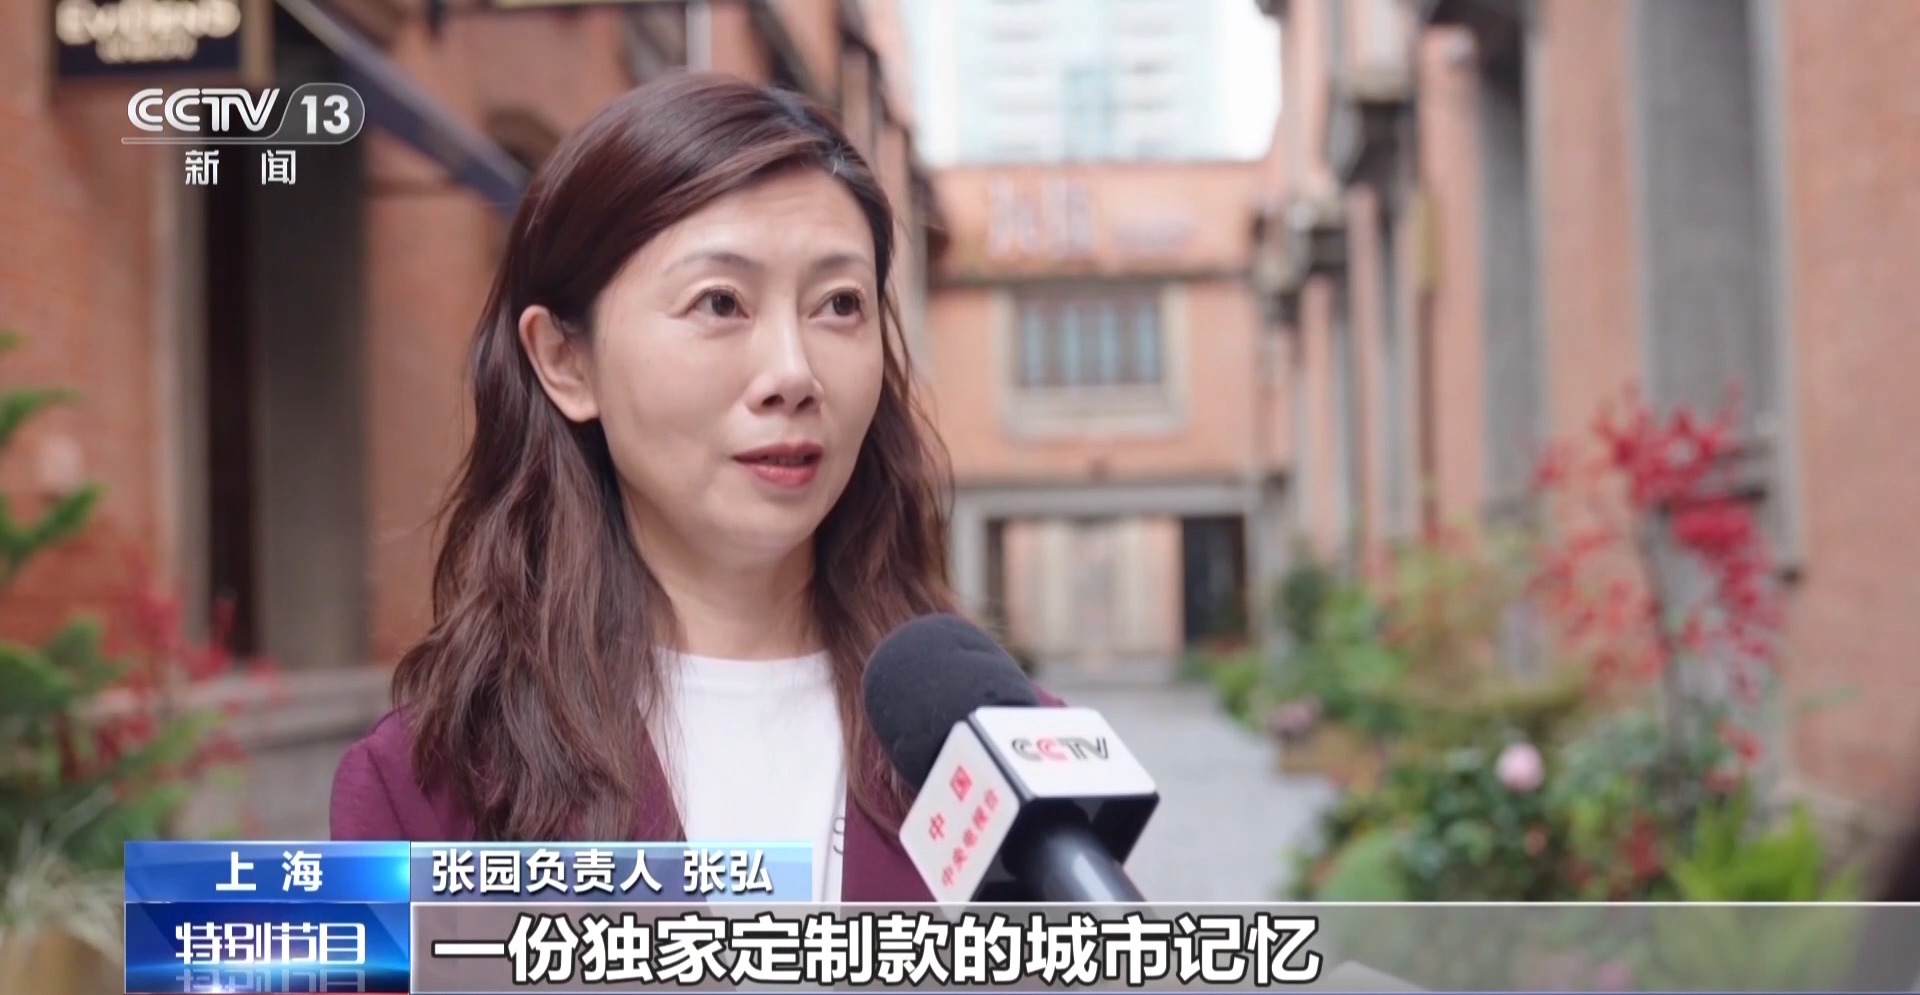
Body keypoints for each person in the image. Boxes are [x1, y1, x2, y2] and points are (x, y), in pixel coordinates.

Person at [329, 73, 1042, 902]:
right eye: (721, 302)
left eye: (840, 304)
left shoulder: (1008, 758)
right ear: (565, 360)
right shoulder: (428, 790)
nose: (793, 373)